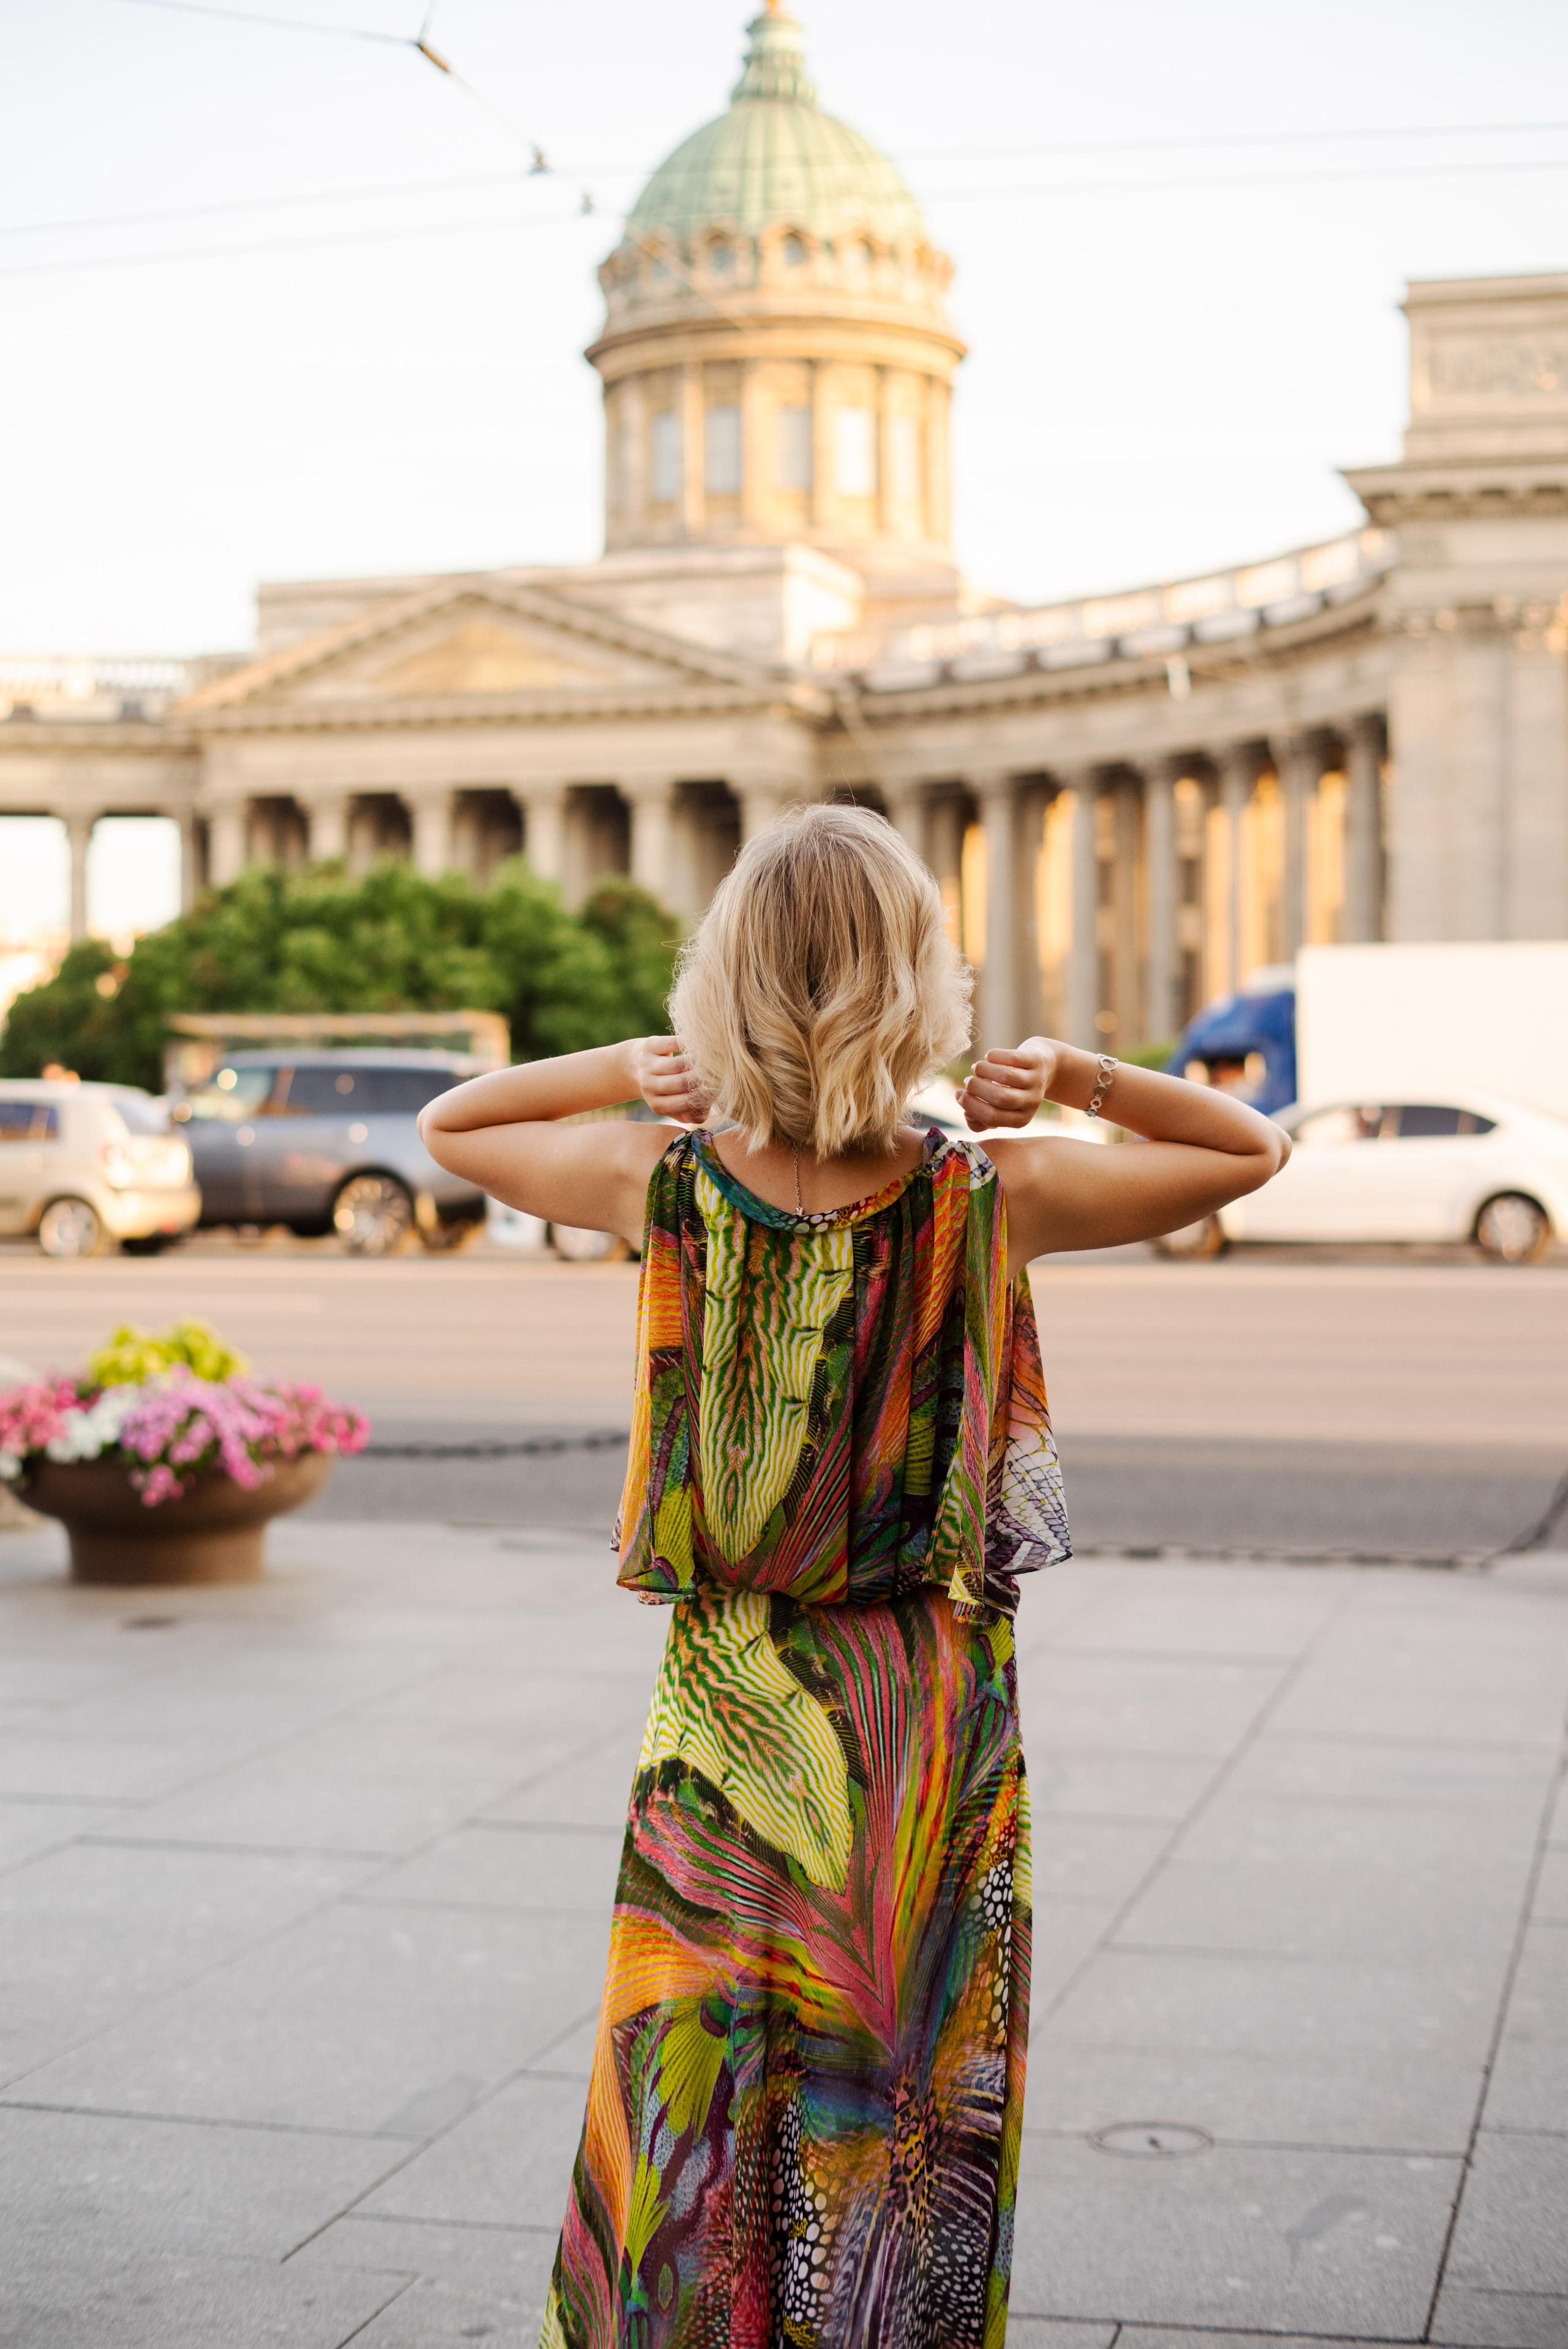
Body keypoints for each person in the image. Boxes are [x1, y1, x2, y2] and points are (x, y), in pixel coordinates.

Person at [418, 804, 1288, 2349]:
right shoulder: (991, 1193)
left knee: (693, 2082)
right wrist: (1073, 1078)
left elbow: (457, 1126)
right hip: (921, 1724)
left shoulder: (665, 1180)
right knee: (897, 2106)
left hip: (725, 1718)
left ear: (722, 983)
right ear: (919, 982)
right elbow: (1245, 1149)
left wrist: (630, 1067)